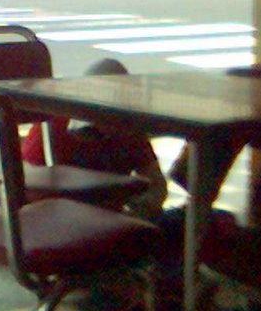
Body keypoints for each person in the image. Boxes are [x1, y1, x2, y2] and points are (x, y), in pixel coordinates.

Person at [21, 58, 167, 221]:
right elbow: (27, 178)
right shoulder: (55, 125)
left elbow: (156, 183)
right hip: (60, 217)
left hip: (109, 218)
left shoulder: (129, 131)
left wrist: (141, 210)